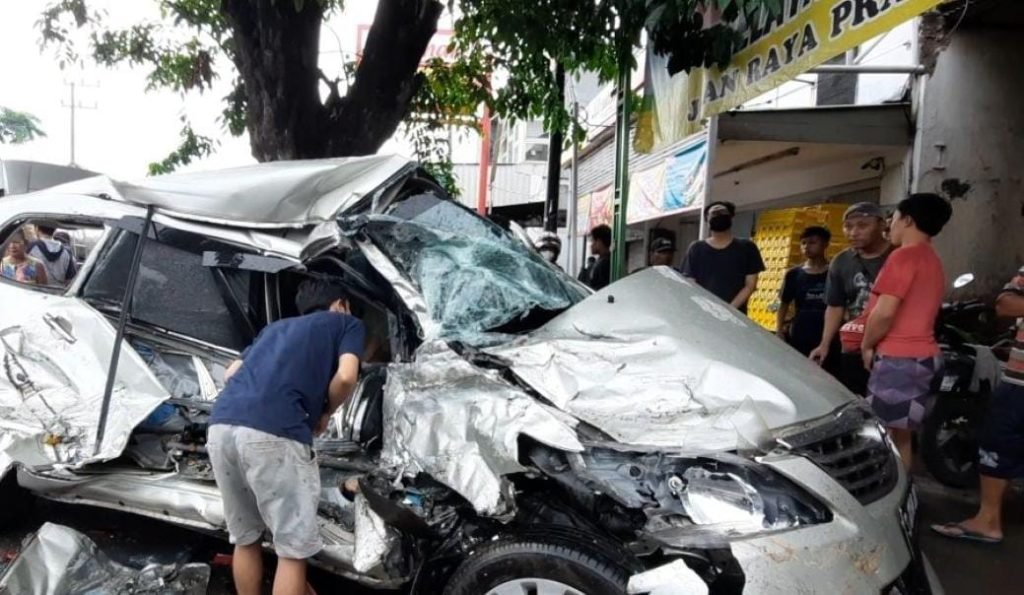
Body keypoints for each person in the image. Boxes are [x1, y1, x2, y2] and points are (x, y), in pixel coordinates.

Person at [207, 279, 365, 595]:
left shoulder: (275, 328)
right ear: (340, 304)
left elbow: (230, 373)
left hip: (221, 426)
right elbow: (347, 375)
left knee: (246, 538)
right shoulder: (346, 323)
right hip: (275, 432)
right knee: (292, 551)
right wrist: (325, 412)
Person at [931, 265, 1024, 544]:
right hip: (1019, 381)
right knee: (997, 441)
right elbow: (1005, 304)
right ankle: (988, 520)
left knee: (1000, 438)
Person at [861, 193, 952, 471]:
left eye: (894, 218)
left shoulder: (904, 257)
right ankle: (903, 492)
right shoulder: (932, 258)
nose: (891, 225)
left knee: (885, 436)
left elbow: (885, 312)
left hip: (900, 358)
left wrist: (866, 344)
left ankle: (890, 497)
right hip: (921, 357)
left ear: (908, 220)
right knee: (901, 435)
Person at [809, 202, 892, 395]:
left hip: (890, 344)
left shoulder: (897, 255)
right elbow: (835, 306)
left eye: (863, 225)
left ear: (882, 225)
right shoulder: (841, 261)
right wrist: (825, 344)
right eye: (848, 226)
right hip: (854, 344)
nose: (853, 232)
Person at [681, 201, 765, 312]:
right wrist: (708, 308)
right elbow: (690, 283)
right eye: (714, 213)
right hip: (702, 314)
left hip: (736, 316)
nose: (718, 215)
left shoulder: (747, 247)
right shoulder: (696, 248)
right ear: (707, 221)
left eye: (722, 212)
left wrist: (730, 310)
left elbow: (750, 285)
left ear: (731, 218)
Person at [776, 226, 831, 356]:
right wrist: (778, 330)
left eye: (812, 242)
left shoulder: (834, 272)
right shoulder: (793, 274)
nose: (806, 247)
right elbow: (784, 304)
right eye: (803, 243)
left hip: (827, 328)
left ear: (825, 244)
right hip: (801, 328)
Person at [585, 224, 612, 290]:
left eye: (593, 241)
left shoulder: (605, 263)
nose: (591, 245)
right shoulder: (602, 261)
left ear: (599, 242)